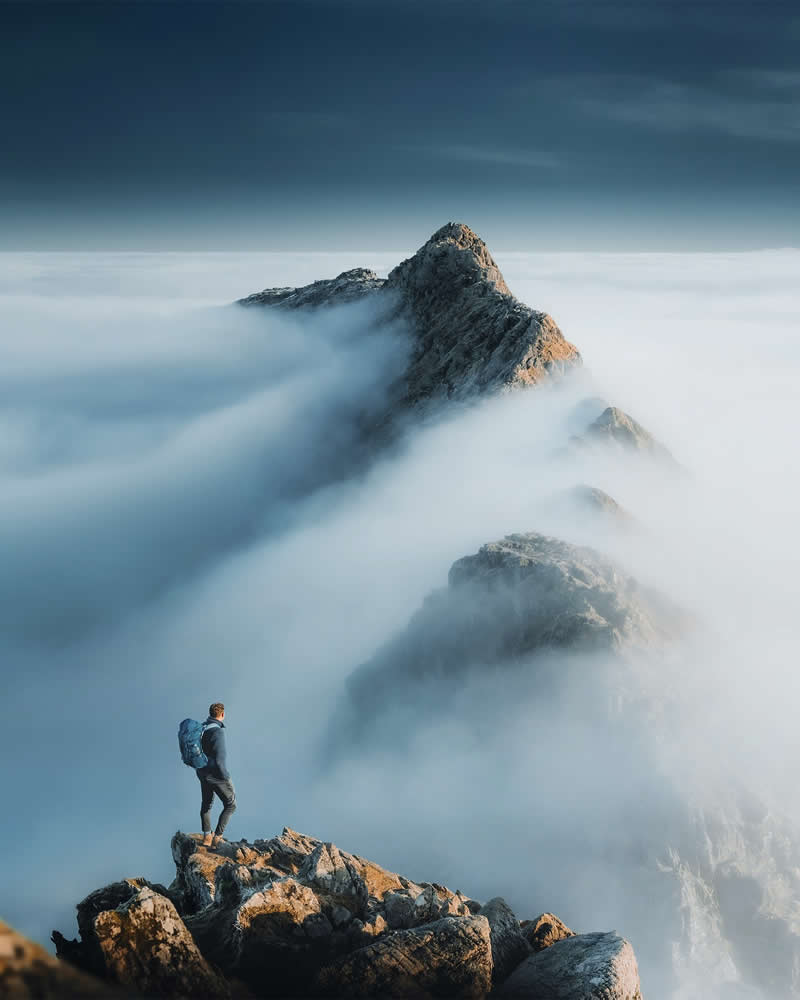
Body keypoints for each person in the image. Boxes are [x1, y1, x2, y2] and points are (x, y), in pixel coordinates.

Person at [197, 702, 236, 848]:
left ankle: (207, 836)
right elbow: (220, 760)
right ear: (223, 714)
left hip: (201, 772)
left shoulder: (201, 728)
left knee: (207, 803)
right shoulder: (218, 732)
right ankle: (217, 838)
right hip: (215, 774)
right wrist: (225, 777)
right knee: (231, 805)